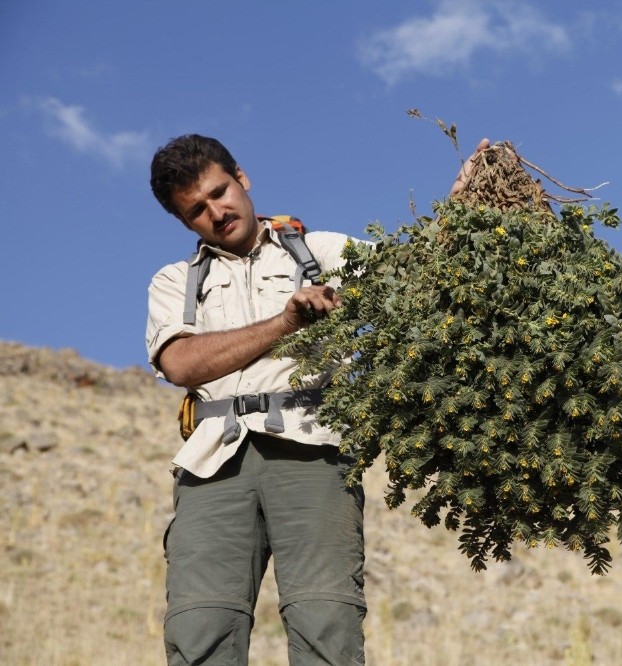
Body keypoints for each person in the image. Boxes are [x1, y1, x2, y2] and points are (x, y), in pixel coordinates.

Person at [146, 134, 486, 665]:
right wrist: (287, 321)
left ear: (242, 177)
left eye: (221, 191)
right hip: (212, 465)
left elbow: (414, 274)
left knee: (327, 625)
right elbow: (181, 364)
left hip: (315, 451)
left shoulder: (320, 251)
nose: (217, 211)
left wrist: (460, 207)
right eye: (197, 209)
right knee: (198, 631)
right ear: (183, 221)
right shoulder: (175, 282)